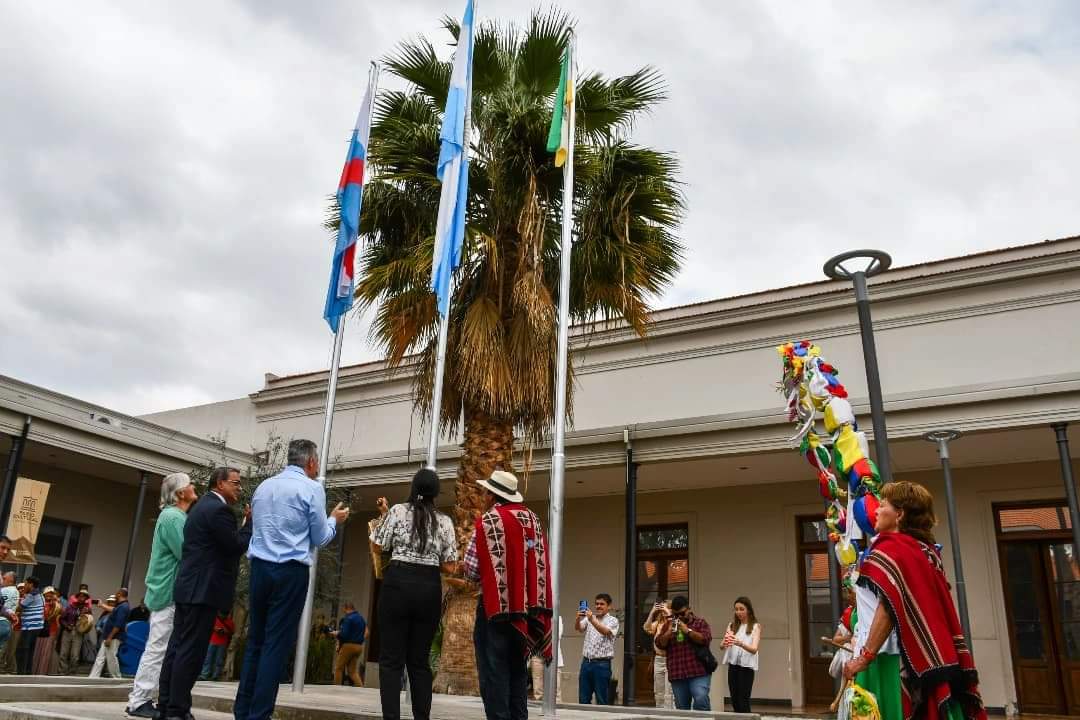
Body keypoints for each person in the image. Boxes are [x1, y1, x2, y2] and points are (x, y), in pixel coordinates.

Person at [844, 482, 986, 720]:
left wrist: (863, 658)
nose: (876, 511)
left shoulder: (892, 550)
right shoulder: (926, 551)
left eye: (882, 505)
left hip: (891, 660)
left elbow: (888, 608)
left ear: (899, 514)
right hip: (932, 658)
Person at [234, 440, 348, 720]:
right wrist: (334, 519)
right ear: (310, 462)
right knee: (276, 643)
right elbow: (320, 537)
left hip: (260, 567)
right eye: (317, 459)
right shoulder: (311, 488)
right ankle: (259, 713)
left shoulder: (264, 487)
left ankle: (243, 709)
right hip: (290, 570)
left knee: (256, 640)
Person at [158, 467, 251, 720]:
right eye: (235, 483)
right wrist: (249, 525)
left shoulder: (199, 508)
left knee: (177, 648)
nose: (239, 488)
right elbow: (234, 546)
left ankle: (165, 706)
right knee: (191, 651)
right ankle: (177, 709)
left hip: (189, 588)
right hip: (203, 591)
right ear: (220, 484)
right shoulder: (219, 510)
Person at [463, 470, 552, 720]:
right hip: (527, 612)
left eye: (485, 492)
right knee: (517, 673)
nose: (483, 496)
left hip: (495, 609)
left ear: (492, 495)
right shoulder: (532, 520)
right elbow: (538, 560)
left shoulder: (489, 521)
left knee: (494, 674)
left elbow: (471, 568)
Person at [369, 468, 457, 720]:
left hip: (397, 583)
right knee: (419, 662)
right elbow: (450, 565)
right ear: (436, 494)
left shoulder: (397, 511)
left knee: (390, 661)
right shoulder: (444, 521)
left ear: (413, 488)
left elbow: (377, 544)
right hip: (428, 588)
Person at [126, 472, 197, 719]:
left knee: (160, 648)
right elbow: (186, 552)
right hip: (166, 592)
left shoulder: (174, 516)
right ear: (180, 494)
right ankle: (139, 700)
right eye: (189, 485)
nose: (193, 487)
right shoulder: (174, 517)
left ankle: (144, 698)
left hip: (165, 591)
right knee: (157, 648)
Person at [656, 595, 713, 711]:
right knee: (682, 708)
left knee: (701, 698)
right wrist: (668, 633)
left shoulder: (700, 622)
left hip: (698, 671)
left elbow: (705, 639)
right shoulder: (669, 624)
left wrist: (688, 631)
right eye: (675, 615)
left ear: (689, 609)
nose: (679, 617)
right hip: (678, 673)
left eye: (682, 614)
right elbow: (659, 644)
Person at [576, 593, 619, 705]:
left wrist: (591, 620)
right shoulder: (590, 618)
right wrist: (578, 618)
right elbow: (579, 629)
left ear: (609, 606)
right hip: (586, 663)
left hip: (602, 665)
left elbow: (605, 631)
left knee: (602, 700)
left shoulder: (613, 620)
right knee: (583, 699)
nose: (598, 606)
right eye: (596, 604)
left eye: (602, 604)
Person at [721, 596, 761, 713]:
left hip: (746, 667)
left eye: (741, 609)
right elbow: (722, 646)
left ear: (748, 610)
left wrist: (740, 643)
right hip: (733, 666)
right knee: (734, 699)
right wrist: (726, 639)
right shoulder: (732, 625)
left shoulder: (755, 626)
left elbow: (754, 649)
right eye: (736, 609)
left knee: (743, 699)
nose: (738, 612)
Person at [90, 588, 129, 678]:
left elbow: (118, 625)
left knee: (111, 658)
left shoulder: (123, 607)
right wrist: (102, 605)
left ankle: (117, 678)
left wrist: (110, 637)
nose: (115, 595)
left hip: (114, 637)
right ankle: (93, 677)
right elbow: (113, 609)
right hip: (109, 636)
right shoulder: (121, 606)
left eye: (116, 594)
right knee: (100, 658)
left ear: (119, 594)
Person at [643, 599, 673, 709]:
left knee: (669, 691)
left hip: (670, 659)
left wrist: (668, 612)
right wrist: (652, 612)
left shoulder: (673, 622)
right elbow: (646, 627)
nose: (663, 611)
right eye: (662, 609)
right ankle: (660, 712)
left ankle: (669, 714)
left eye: (666, 608)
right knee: (659, 690)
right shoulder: (658, 623)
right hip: (658, 659)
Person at [58, 585, 94, 674]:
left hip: (78, 633)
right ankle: (61, 671)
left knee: (75, 655)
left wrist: (84, 616)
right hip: (67, 631)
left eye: (84, 596)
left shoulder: (87, 609)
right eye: (80, 596)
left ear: (86, 598)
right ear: (77, 597)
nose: (82, 598)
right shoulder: (70, 607)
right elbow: (61, 619)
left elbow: (89, 622)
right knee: (63, 653)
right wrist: (67, 626)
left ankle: (72, 672)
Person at [330, 601, 367, 687]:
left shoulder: (348, 618)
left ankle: (336, 688)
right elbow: (365, 632)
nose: (343, 611)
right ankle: (361, 689)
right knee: (352, 671)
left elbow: (344, 634)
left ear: (346, 608)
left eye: (343, 609)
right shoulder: (361, 618)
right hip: (359, 647)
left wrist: (336, 633)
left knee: (338, 668)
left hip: (348, 646)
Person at [528, 617, 563, 702]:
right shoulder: (535, 617)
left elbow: (556, 636)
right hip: (537, 655)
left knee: (556, 691)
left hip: (553, 656)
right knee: (538, 691)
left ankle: (557, 711)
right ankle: (538, 712)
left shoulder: (557, 617)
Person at [16, 576, 45, 674]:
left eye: (26, 584)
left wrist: (22, 596)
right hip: (37, 626)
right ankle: (28, 672)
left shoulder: (31, 595)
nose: (24, 586)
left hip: (29, 626)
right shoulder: (40, 594)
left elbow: (20, 608)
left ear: (31, 584)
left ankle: (21, 673)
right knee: (30, 650)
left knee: (22, 650)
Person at [828, 585, 856, 680]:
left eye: (850, 592)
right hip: (853, 660)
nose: (848, 597)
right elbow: (835, 640)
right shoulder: (849, 613)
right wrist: (849, 638)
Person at [32, 586, 62, 674]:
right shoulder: (40, 603)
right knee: (37, 651)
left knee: (46, 653)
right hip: (39, 630)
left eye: (51, 594)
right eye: (47, 594)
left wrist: (56, 603)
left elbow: (62, 613)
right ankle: (34, 671)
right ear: (44, 594)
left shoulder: (57, 604)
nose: (49, 595)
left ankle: (42, 672)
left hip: (51, 631)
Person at [200, 611, 235, 681]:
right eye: (222, 614)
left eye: (224, 614)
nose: (223, 616)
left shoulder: (230, 622)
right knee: (208, 659)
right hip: (212, 641)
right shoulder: (214, 619)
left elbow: (232, 632)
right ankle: (205, 674)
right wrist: (215, 629)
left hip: (222, 643)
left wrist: (225, 631)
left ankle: (216, 675)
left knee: (219, 660)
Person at [0, 571, 18, 673]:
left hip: (2, 620)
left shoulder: (5, 590)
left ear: (11, 580)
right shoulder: (15, 591)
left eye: (4, 578)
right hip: (8, 623)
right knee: (5, 649)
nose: (2, 579)